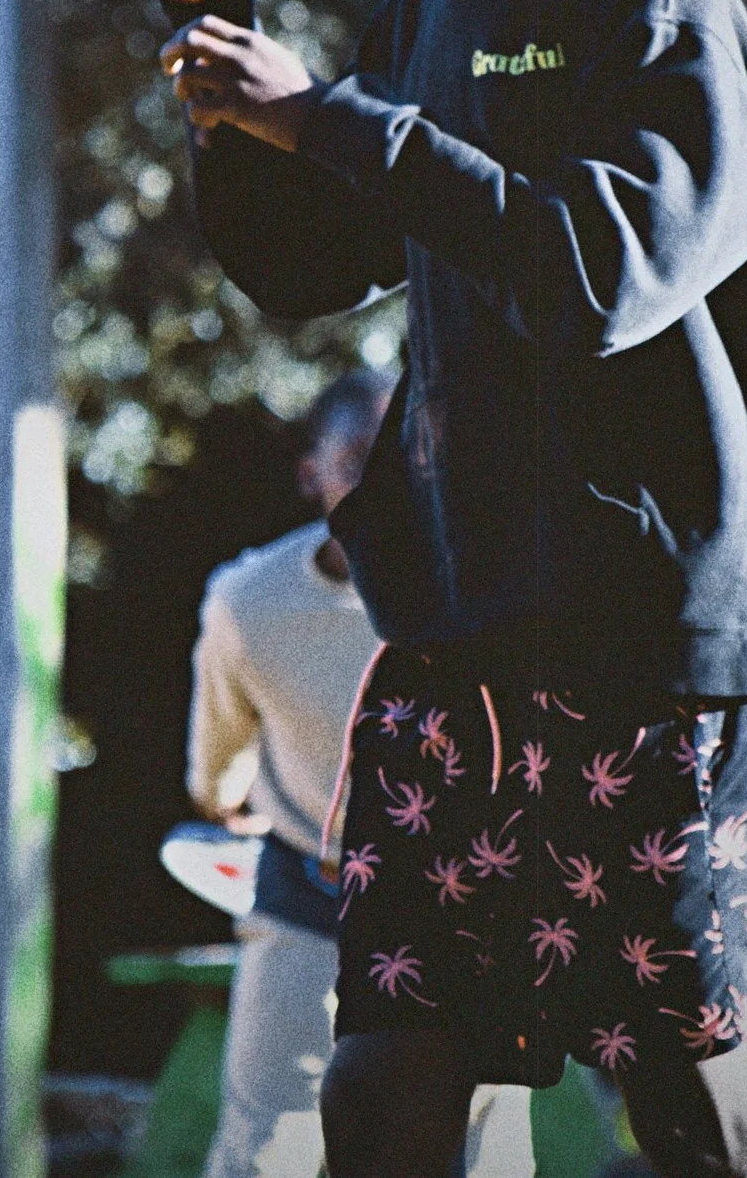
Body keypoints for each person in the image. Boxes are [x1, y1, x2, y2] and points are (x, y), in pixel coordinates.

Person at [124, 0, 747, 1178]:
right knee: (376, 1091)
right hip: (458, 643)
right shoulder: (431, 2)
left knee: (689, 1104)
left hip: (647, 649)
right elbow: (312, 260)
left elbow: (601, 270)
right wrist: (231, 42)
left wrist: (318, 111)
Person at [189, 369, 532, 1177]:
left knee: (484, 1149)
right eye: (355, 458)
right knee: (269, 1147)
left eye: (406, 455)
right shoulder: (249, 603)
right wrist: (224, 803)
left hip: (465, 904)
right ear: (311, 472)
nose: (385, 481)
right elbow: (217, 767)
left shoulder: (488, 589)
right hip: (316, 895)